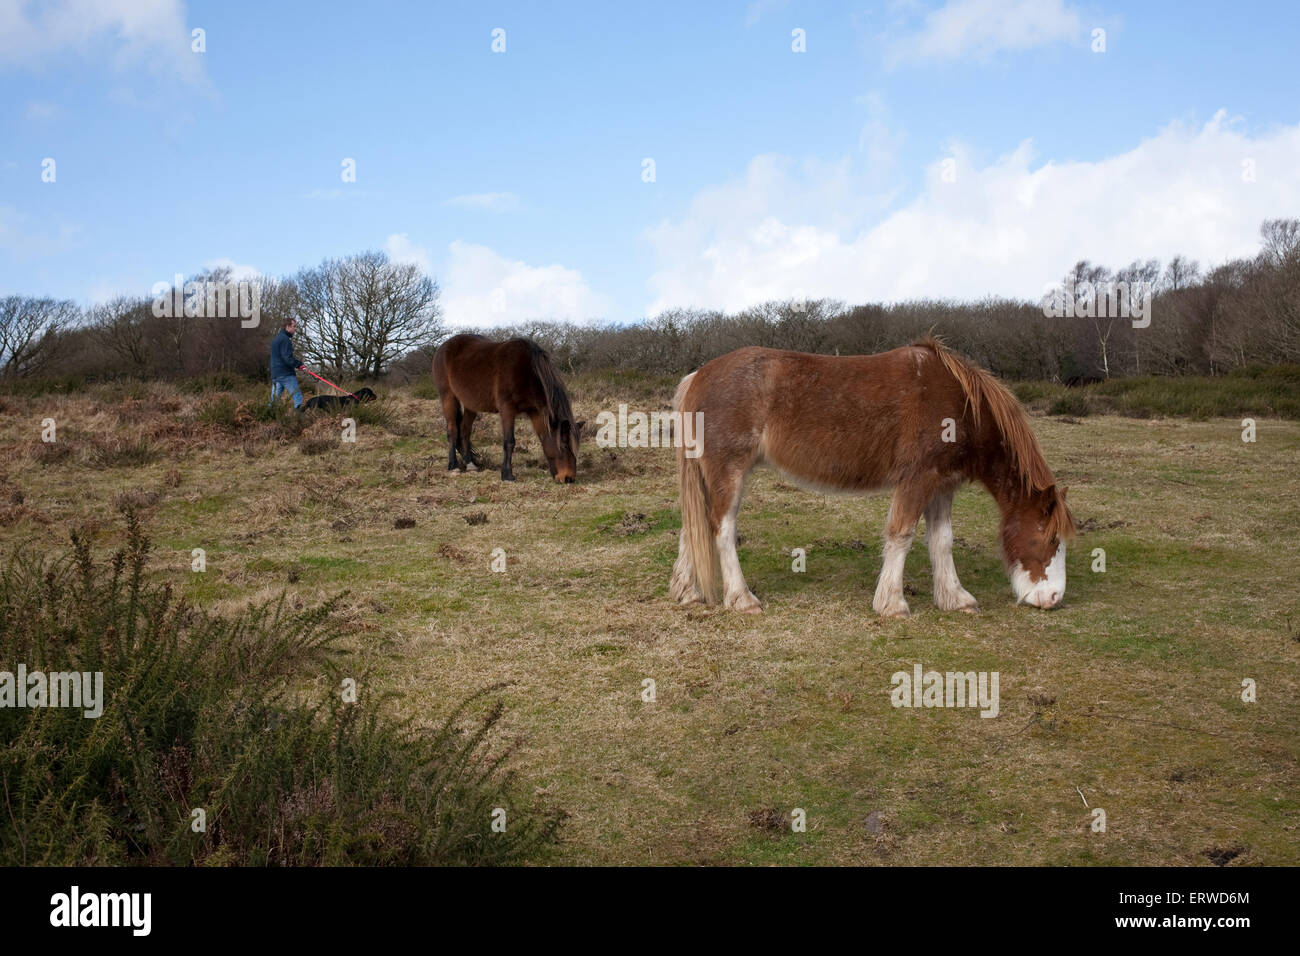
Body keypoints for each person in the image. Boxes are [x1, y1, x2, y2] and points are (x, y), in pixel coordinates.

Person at [269, 318, 307, 409]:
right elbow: (287, 358)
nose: (295, 329)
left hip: (276, 374)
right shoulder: (285, 339)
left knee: (274, 401)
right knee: (297, 397)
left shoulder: (277, 339)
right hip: (285, 374)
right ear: (287, 327)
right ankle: (299, 419)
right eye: (294, 326)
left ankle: (268, 417)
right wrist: (300, 365)